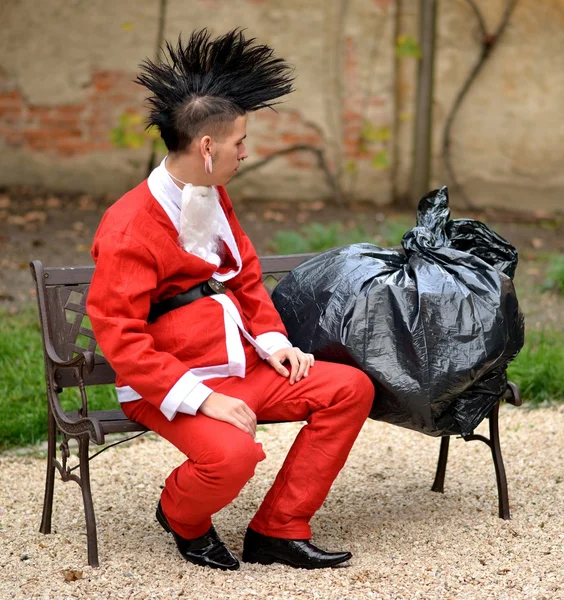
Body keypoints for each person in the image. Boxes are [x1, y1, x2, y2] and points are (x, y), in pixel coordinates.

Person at [87, 28, 374, 571]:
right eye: (240, 142)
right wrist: (204, 400)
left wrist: (273, 340)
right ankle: (181, 516)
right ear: (207, 147)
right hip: (168, 382)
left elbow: (243, 276)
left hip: (238, 364)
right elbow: (120, 337)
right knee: (233, 456)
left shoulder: (212, 193)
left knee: (348, 389)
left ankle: (278, 528)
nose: (246, 152)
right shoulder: (128, 226)